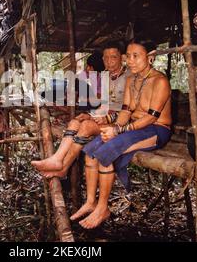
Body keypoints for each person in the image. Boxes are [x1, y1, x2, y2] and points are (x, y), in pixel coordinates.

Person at [72, 37, 172, 229]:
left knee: (106, 152)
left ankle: (103, 208)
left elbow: (151, 118)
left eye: (136, 56)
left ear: (150, 57)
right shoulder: (132, 79)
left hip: (157, 130)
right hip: (135, 126)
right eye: (129, 56)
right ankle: (91, 201)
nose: (130, 61)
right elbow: (126, 111)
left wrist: (118, 130)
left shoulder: (160, 81)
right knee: (92, 150)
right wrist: (113, 128)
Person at [31, 41, 130, 178]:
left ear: (122, 57)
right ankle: (56, 159)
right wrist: (89, 114)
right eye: (106, 58)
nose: (109, 62)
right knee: (75, 122)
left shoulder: (130, 77)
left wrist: (106, 118)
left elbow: (131, 110)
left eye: (113, 57)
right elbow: (103, 104)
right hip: (104, 117)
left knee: (86, 126)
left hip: (120, 123)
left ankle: (64, 167)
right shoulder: (106, 76)